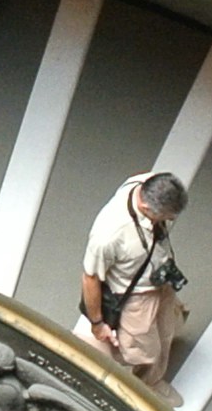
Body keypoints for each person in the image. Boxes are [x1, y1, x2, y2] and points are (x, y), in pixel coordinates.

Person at [79, 170, 190, 397]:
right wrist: (98, 323)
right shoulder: (109, 235)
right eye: (166, 217)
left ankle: (153, 379)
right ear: (148, 209)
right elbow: (90, 278)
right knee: (144, 350)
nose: (169, 221)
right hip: (136, 295)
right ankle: (142, 386)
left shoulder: (143, 182)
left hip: (159, 280)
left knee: (166, 330)